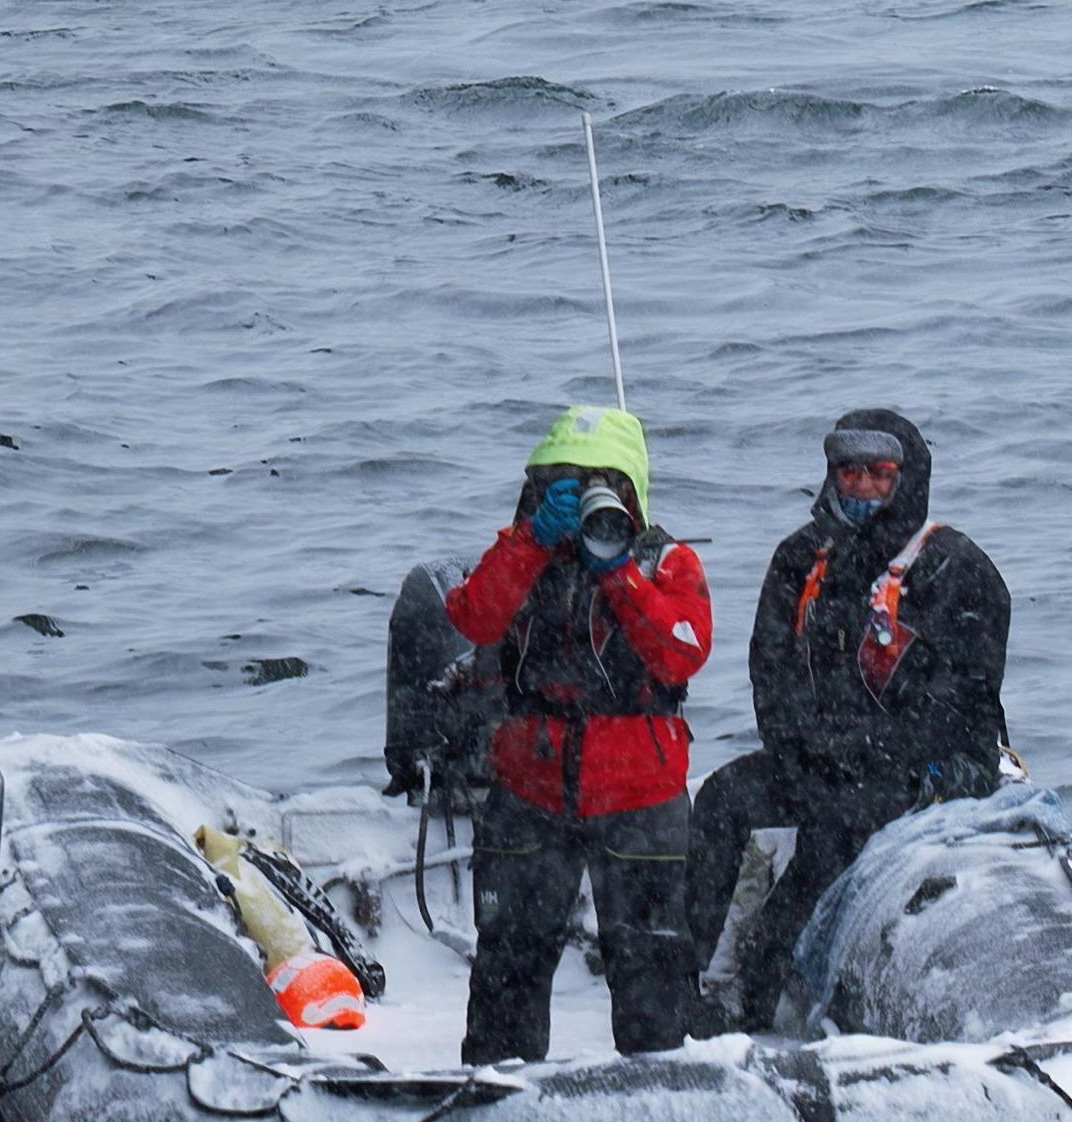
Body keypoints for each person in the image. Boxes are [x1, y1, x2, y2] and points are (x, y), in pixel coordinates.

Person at [383, 400, 715, 1062]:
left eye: (601, 482)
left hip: (640, 792)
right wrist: (535, 538)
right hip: (531, 787)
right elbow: (474, 618)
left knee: (650, 966)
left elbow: (682, 651)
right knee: (509, 959)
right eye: (566, 481)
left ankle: (662, 1097)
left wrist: (615, 568)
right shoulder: (519, 552)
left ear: (631, 491)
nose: (588, 495)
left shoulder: (666, 562)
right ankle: (499, 1095)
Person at [683, 406, 1012, 1024]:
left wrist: (863, 752)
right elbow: (769, 673)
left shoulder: (956, 568)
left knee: (831, 839)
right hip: (818, 761)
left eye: (879, 473)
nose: (861, 487)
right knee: (724, 800)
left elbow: (962, 703)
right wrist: (802, 750)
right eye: (848, 472)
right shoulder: (800, 559)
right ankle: (684, 980)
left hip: (927, 769)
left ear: (906, 479)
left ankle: (760, 993)